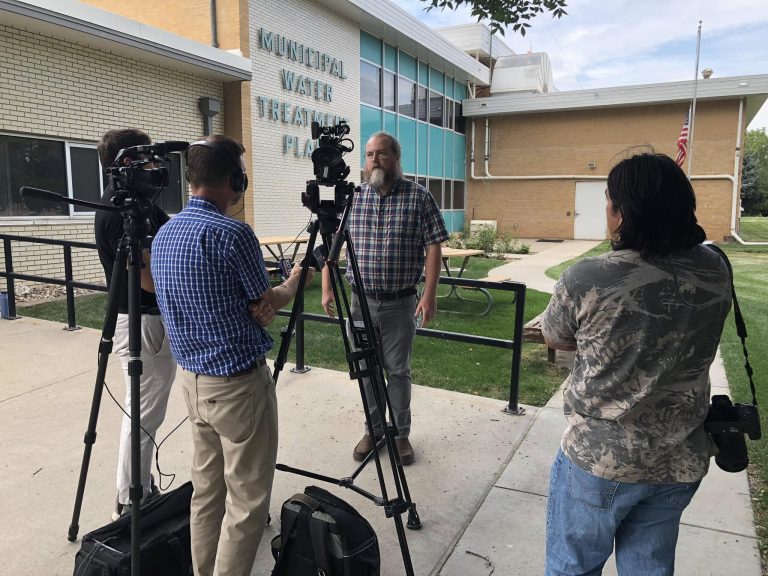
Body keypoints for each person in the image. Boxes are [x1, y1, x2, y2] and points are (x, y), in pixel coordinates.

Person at [541, 152, 732, 576]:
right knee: (649, 569)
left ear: (622, 212)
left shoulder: (587, 277)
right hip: (680, 457)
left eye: (609, 202)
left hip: (600, 459)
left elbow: (554, 336)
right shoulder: (716, 268)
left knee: (573, 567)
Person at [151, 135, 312, 576]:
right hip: (239, 388)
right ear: (233, 180)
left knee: (206, 493)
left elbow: (250, 304)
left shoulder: (164, 234)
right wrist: (294, 282)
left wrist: (258, 305)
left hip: (193, 383)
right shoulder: (233, 233)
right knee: (247, 502)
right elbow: (266, 302)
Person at [321, 131, 448, 465]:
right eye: (369, 154)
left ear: (396, 156)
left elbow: (434, 246)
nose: (374, 160)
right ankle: (373, 430)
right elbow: (333, 242)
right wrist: (326, 286)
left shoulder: (419, 197)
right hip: (360, 303)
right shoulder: (353, 198)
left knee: (398, 372)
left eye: (381, 153)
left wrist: (430, 295)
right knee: (367, 370)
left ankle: (400, 434)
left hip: (400, 303)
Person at [94, 128, 176, 521]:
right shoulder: (121, 212)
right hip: (143, 322)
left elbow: (168, 230)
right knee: (143, 415)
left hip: (142, 321)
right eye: (146, 157)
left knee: (141, 412)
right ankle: (131, 498)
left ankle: (135, 488)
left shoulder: (136, 204)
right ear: (126, 162)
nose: (154, 165)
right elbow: (149, 280)